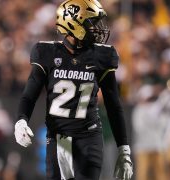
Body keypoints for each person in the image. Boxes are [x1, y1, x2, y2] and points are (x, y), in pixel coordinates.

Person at [14, 0, 133, 180]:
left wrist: (124, 148)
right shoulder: (47, 52)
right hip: (57, 137)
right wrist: (21, 120)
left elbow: (113, 104)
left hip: (89, 136)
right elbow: (29, 94)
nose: (97, 28)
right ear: (74, 24)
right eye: (92, 22)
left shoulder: (101, 56)